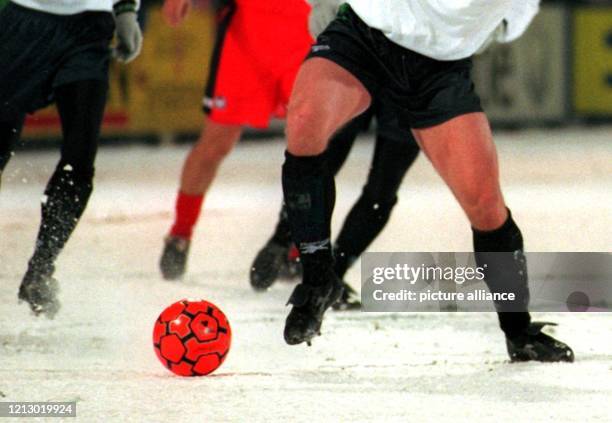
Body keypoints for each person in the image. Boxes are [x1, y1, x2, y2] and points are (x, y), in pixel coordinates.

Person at [280, 0, 574, 362]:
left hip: (439, 66)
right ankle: (317, 280)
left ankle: (518, 331)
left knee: (485, 206)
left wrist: (492, 28)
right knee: (304, 120)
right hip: (366, 29)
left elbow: (522, 10)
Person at [0, 0, 143, 318]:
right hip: (23, 19)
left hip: (89, 28)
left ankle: (41, 268)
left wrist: (126, 10)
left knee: (79, 159)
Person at [158, 0, 314, 280]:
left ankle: (297, 245)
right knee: (216, 142)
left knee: (311, 144)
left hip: (306, 31)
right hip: (249, 34)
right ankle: (180, 234)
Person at [250, 103, 420, 311]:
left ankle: (299, 250)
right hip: (405, 84)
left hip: (391, 81)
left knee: (322, 164)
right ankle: (324, 267)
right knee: (378, 189)